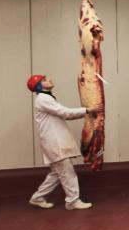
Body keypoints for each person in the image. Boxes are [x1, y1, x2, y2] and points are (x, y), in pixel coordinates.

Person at [26, 74, 102, 210]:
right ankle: (72, 201)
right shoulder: (43, 99)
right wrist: (87, 110)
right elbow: (64, 112)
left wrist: (86, 111)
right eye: (44, 80)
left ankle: (37, 198)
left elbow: (64, 114)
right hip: (54, 142)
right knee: (67, 172)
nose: (49, 79)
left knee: (57, 173)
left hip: (52, 141)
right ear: (39, 86)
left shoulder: (46, 98)